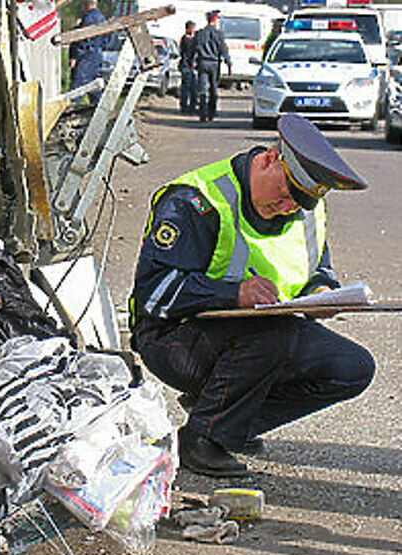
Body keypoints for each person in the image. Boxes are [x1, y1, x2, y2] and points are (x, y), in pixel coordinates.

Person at [128, 114, 375, 477]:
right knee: (273, 335)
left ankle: (225, 419)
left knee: (352, 368)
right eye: (286, 194)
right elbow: (154, 293)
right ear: (268, 159)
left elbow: (316, 269)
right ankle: (202, 440)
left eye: (299, 203)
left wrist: (322, 294)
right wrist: (232, 294)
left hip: (257, 334)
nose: (289, 207)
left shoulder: (306, 209)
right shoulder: (196, 201)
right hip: (171, 338)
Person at [69, 0, 109, 106]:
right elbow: (106, 39)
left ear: (85, 5)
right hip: (97, 55)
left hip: (86, 56)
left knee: (76, 91)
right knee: (95, 88)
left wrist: (75, 56)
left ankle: (67, 115)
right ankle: (99, 115)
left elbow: (83, 40)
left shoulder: (88, 19)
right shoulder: (102, 19)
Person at [194, 10, 231, 122]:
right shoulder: (219, 34)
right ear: (215, 20)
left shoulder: (200, 33)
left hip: (202, 62)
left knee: (203, 89)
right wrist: (228, 63)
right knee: (214, 88)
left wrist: (191, 62)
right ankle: (212, 113)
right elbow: (223, 49)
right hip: (214, 63)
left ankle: (203, 113)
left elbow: (193, 49)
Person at [179, 20, 198, 115]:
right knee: (185, 88)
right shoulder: (185, 39)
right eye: (192, 28)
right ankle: (184, 107)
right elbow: (183, 53)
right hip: (186, 66)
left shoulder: (195, 39)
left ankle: (192, 107)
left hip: (193, 66)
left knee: (194, 89)